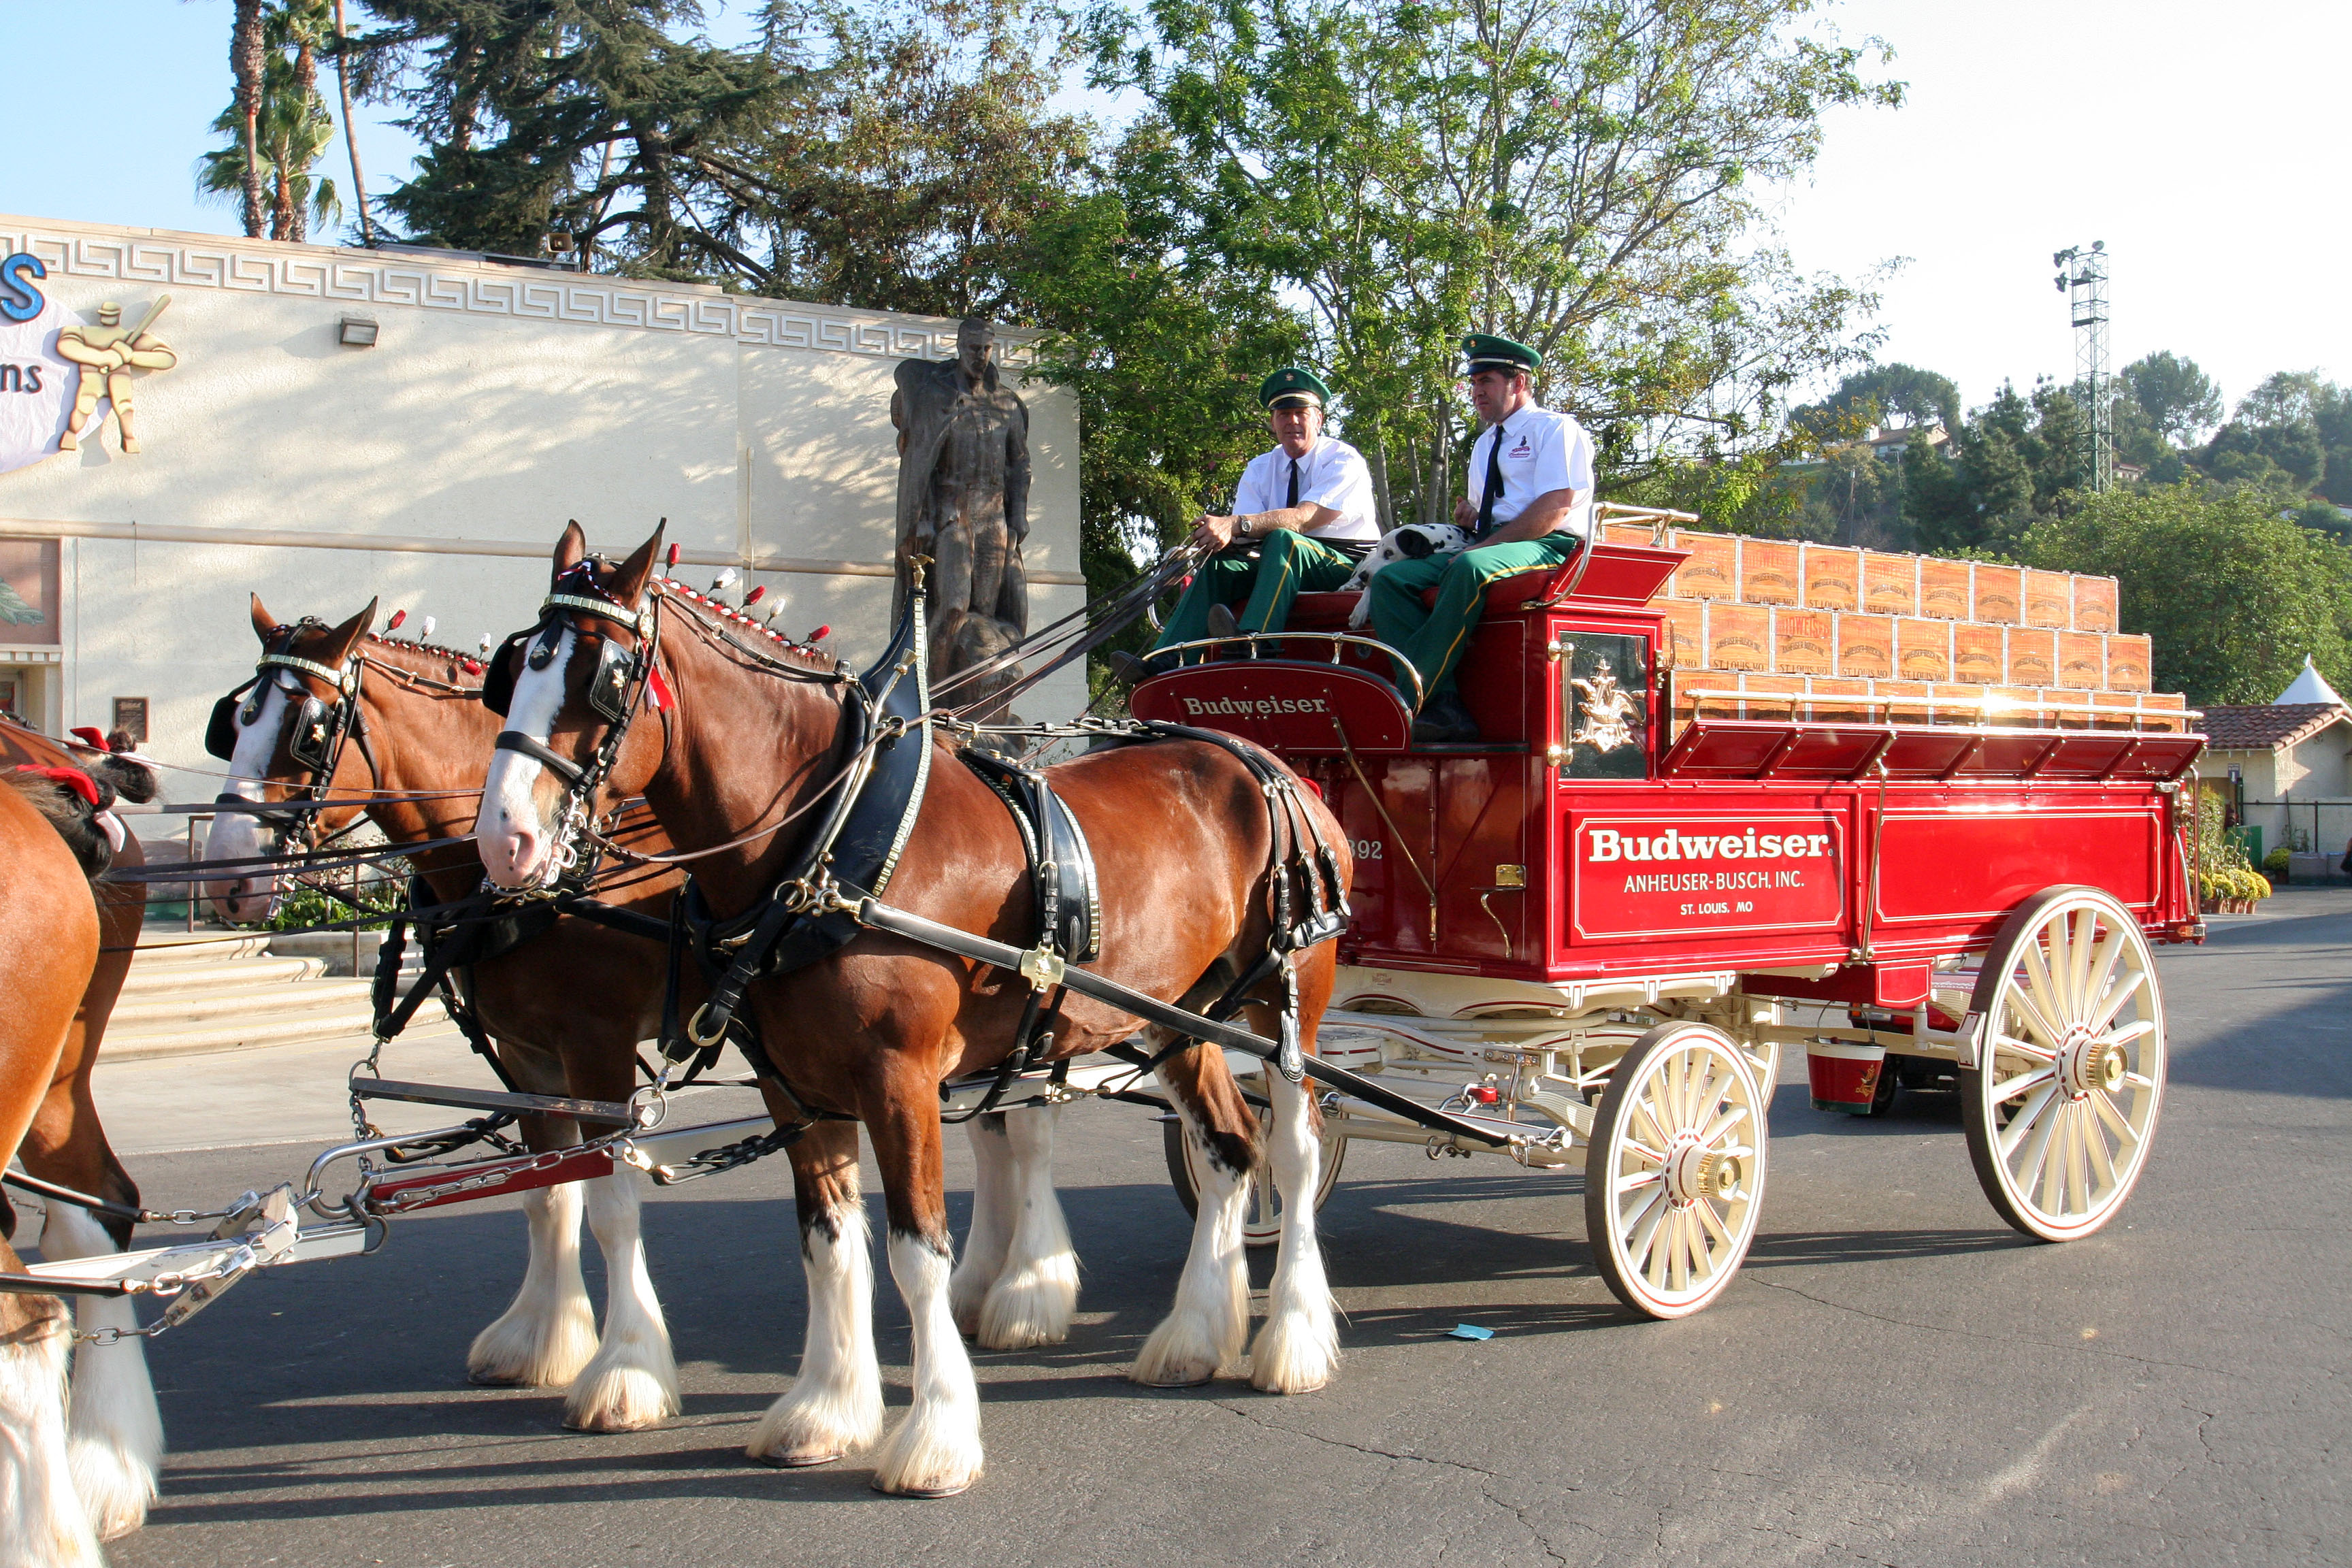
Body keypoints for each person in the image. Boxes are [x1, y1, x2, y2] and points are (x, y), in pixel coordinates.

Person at [1369, 333, 1594, 743]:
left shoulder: (1556, 429)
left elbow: (1556, 507)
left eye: (1486, 381)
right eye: (1474, 384)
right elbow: (1488, 514)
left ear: (1518, 383)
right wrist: (1472, 518)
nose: (1477, 392)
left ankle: (1407, 698)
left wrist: (1483, 545)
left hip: (1550, 544)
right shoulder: (1485, 442)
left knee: (1469, 566)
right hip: (1494, 540)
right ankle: (1446, 705)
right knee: (1389, 581)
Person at [1115, 367, 1378, 679]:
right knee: (1219, 565)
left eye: (1300, 413)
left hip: (1346, 566)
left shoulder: (1343, 460)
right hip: (1279, 564)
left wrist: (1234, 525)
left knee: (1285, 539)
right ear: (1273, 423)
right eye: (1283, 414)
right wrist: (1208, 542)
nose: (1292, 421)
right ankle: (1168, 660)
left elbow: (1304, 519)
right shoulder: (1260, 467)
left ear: (1318, 420)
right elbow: (1244, 538)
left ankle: (1254, 641)